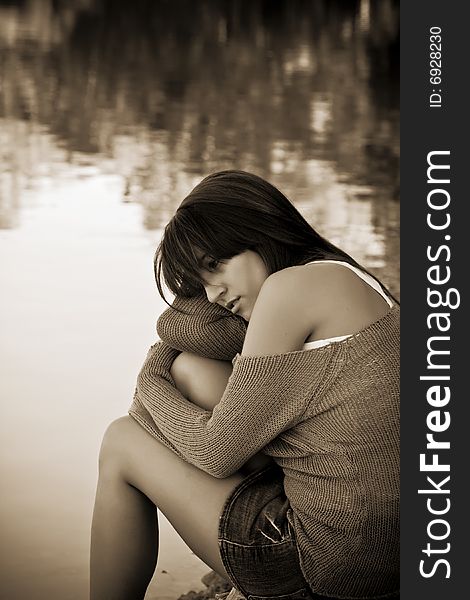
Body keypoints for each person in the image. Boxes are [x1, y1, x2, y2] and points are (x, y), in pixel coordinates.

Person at [90, 170, 400, 600]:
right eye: (199, 283)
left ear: (258, 231)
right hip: (390, 557)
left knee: (121, 441)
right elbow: (191, 332)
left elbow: (216, 455)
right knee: (195, 370)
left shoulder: (287, 290)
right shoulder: (344, 276)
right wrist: (201, 283)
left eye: (215, 265)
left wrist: (150, 378)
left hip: (334, 571)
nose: (212, 294)